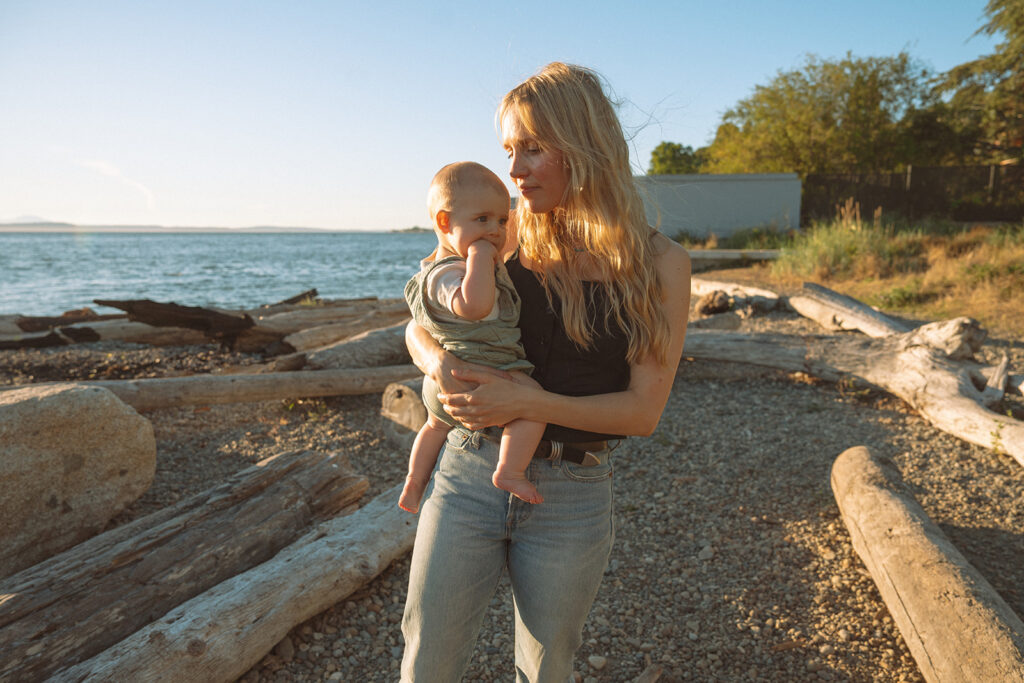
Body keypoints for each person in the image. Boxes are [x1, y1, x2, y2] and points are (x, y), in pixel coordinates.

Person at [401, 62, 692, 682]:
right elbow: (420, 317)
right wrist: (436, 361)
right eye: (509, 149)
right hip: (467, 471)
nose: (513, 171)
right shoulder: (501, 241)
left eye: (532, 147)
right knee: (428, 659)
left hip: (573, 496)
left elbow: (642, 413)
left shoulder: (663, 264)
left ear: (584, 143)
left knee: (545, 668)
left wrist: (525, 401)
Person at [399, 161, 546, 514]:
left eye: (501, 221)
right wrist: (481, 256)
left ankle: (414, 483)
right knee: (533, 402)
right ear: (445, 223)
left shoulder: (465, 259)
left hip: (446, 384)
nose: (495, 232)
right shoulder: (447, 272)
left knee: (434, 426)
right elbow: (475, 306)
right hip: (476, 375)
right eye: (482, 220)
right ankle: (510, 470)